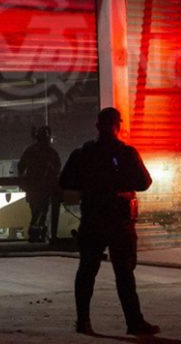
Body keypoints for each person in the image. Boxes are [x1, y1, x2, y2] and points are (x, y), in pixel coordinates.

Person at [60, 107, 159, 337]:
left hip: (93, 219)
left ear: (98, 126)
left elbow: (66, 180)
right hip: (118, 222)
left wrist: (92, 184)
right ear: (119, 125)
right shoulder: (125, 153)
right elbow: (144, 182)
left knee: (86, 272)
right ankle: (134, 322)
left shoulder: (84, 153)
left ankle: (83, 321)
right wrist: (116, 184)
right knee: (124, 274)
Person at [17, 126, 62, 243]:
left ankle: (36, 233)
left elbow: (21, 167)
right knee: (41, 210)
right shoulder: (50, 152)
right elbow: (57, 168)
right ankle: (38, 232)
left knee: (37, 210)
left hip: (34, 187)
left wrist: (23, 180)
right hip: (43, 187)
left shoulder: (31, 151)